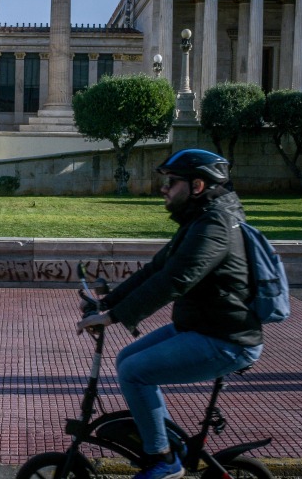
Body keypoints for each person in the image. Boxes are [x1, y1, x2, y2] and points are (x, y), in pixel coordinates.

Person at [78, 149, 263, 479]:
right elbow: (156, 269)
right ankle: (167, 445)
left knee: (134, 371)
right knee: (126, 359)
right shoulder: (200, 219)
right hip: (201, 327)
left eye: (172, 182)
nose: (163, 188)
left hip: (227, 340)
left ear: (197, 186)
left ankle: (164, 459)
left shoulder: (215, 225)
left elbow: (176, 280)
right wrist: (106, 304)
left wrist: (113, 317)